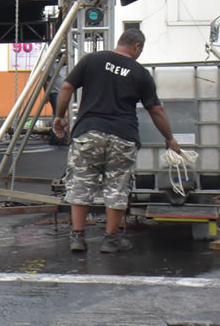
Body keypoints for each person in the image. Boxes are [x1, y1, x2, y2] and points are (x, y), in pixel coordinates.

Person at [53, 29, 181, 254]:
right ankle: (110, 240)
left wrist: (59, 116)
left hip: (88, 132)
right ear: (137, 47)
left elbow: (66, 87)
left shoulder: (92, 60)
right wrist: (169, 138)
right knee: (117, 187)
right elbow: (156, 110)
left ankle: (78, 238)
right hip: (123, 135)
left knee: (81, 184)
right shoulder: (140, 73)